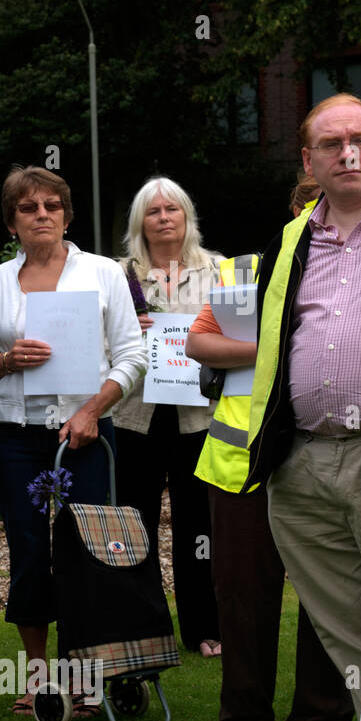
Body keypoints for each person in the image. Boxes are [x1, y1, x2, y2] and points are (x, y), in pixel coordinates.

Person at [244, 93, 361, 721]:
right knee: (349, 631)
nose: (348, 153)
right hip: (304, 464)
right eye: (331, 143)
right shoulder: (290, 238)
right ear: (308, 161)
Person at [0, 166, 147, 715]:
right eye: (28, 207)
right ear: (11, 220)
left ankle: (86, 679)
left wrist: (91, 411)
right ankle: (38, 677)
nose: (42, 215)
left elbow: (133, 355)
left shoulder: (104, 273)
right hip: (14, 435)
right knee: (30, 550)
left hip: (85, 430)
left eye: (52, 205)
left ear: (66, 214)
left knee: (88, 550)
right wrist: (3, 361)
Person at [186, 255, 354, 721]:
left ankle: (323, 712)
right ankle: (246, 714)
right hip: (242, 463)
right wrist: (276, 350)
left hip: (326, 456)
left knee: (329, 589)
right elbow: (199, 342)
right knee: (242, 589)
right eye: (305, 205)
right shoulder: (243, 271)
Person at [113, 177, 223, 658]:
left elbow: (236, 332)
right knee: (135, 521)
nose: (163, 218)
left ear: (187, 217)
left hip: (197, 417)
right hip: (135, 415)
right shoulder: (117, 275)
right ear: (140, 222)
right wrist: (124, 328)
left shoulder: (219, 270)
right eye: (153, 211)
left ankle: (203, 626)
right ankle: (146, 625)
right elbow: (99, 342)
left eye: (171, 209)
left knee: (198, 525)